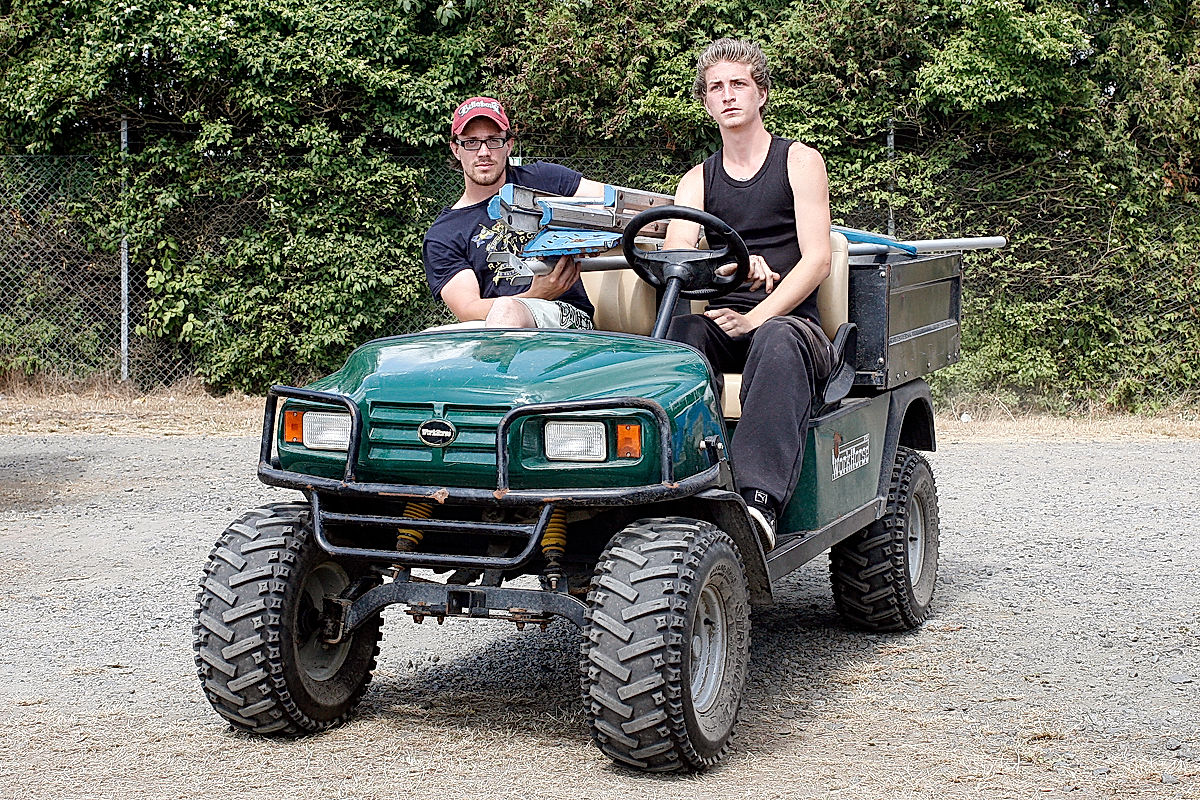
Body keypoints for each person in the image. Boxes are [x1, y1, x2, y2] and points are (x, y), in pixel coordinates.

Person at [663, 39, 834, 550]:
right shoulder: (697, 180)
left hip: (792, 325)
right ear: (706, 101)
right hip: (727, 317)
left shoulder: (798, 161)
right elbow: (678, 258)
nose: (728, 95)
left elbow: (819, 260)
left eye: (739, 84)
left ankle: (758, 504)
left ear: (761, 93)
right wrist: (728, 267)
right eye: (717, 87)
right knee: (680, 334)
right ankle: (680, 484)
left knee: (777, 339)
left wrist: (758, 315)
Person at [422, 96, 608, 329]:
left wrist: (591, 239)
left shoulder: (544, 180)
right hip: (497, 323)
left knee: (506, 311)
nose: (483, 152)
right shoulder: (442, 234)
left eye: (493, 141)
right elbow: (468, 308)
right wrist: (536, 293)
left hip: (568, 317)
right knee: (426, 344)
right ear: (456, 149)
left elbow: (614, 205)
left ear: (508, 145)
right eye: (471, 142)